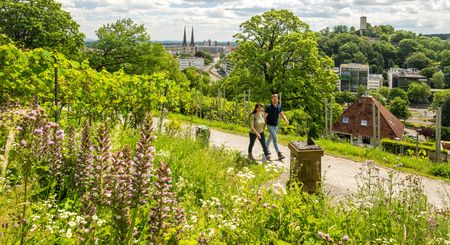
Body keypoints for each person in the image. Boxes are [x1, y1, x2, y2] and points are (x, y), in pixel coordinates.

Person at [264, 94, 289, 160]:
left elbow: (282, 114)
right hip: (269, 125)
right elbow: (265, 116)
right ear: (271, 99)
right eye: (274, 99)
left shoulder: (279, 106)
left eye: (276, 99)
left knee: (271, 137)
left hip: (276, 125)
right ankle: (279, 153)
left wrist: (285, 120)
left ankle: (265, 148)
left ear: (278, 99)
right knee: (275, 138)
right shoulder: (268, 107)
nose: (275, 100)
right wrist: (263, 125)